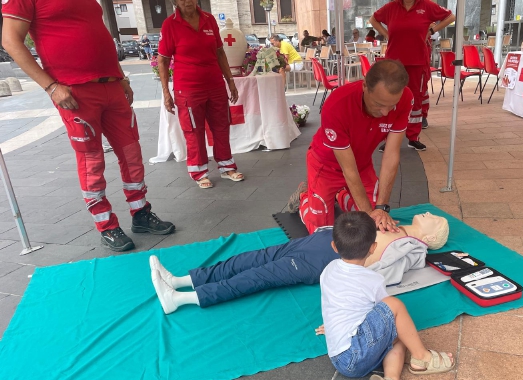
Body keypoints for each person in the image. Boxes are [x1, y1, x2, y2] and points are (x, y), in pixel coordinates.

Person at [2, 0, 175, 252]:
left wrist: (121, 77)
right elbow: (10, 41)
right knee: (91, 160)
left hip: (111, 85)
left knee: (132, 154)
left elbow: (99, 34)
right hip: (74, 91)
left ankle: (141, 213)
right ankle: (106, 225)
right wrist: (50, 87)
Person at [149, 211, 449, 314]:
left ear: (431, 234)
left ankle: (181, 298)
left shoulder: (409, 247)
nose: (426, 215)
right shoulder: (394, 227)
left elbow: (384, 274)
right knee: (251, 258)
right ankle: (182, 280)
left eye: (430, 219)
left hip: (324, 258)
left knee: (257, 275)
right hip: (321, 241)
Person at [317, 212, 455, 379]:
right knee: (394, 306)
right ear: (373, 248)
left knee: (401, 336)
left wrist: (333, 324)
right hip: (356, 352)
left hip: (339, 358)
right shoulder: (372, 279)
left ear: (334, 246)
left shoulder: (328, 269)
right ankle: (422, 357)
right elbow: (387, 311)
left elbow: (334, 300)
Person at [287, 60, 411, 234]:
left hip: (361, 164)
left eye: (391, 105)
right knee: (322, 232)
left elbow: (391, 155)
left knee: (378, 220)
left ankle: (341, 195)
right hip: (326, 165)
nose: (385, 112)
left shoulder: (406, 97)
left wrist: (381, 208)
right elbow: (348, 169)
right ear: (365, 85)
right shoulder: (336, 105)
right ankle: (304, 198)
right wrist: (369, 214)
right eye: (379, 104)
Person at [158, 0, 244, 189]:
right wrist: (166, 92)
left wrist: (230, 81)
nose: (187, 1)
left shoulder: (209, 19)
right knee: (193, 130)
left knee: (221, 126)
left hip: (215, 85)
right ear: (175, 1)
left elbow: (220, 52)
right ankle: (199, 172)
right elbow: (162, 61)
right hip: (188, 88)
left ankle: (226, 166)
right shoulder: (170, 24)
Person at [371, 0, 455, 152]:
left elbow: (450, 17)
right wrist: (385, 33)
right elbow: (373, 19)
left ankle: (413, 137)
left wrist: (432, 31)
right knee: (389, 98)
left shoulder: (426, 5)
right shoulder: (391, 7)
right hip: (394, 62)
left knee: (415, 99)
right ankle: (388, 138)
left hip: (417, 61)